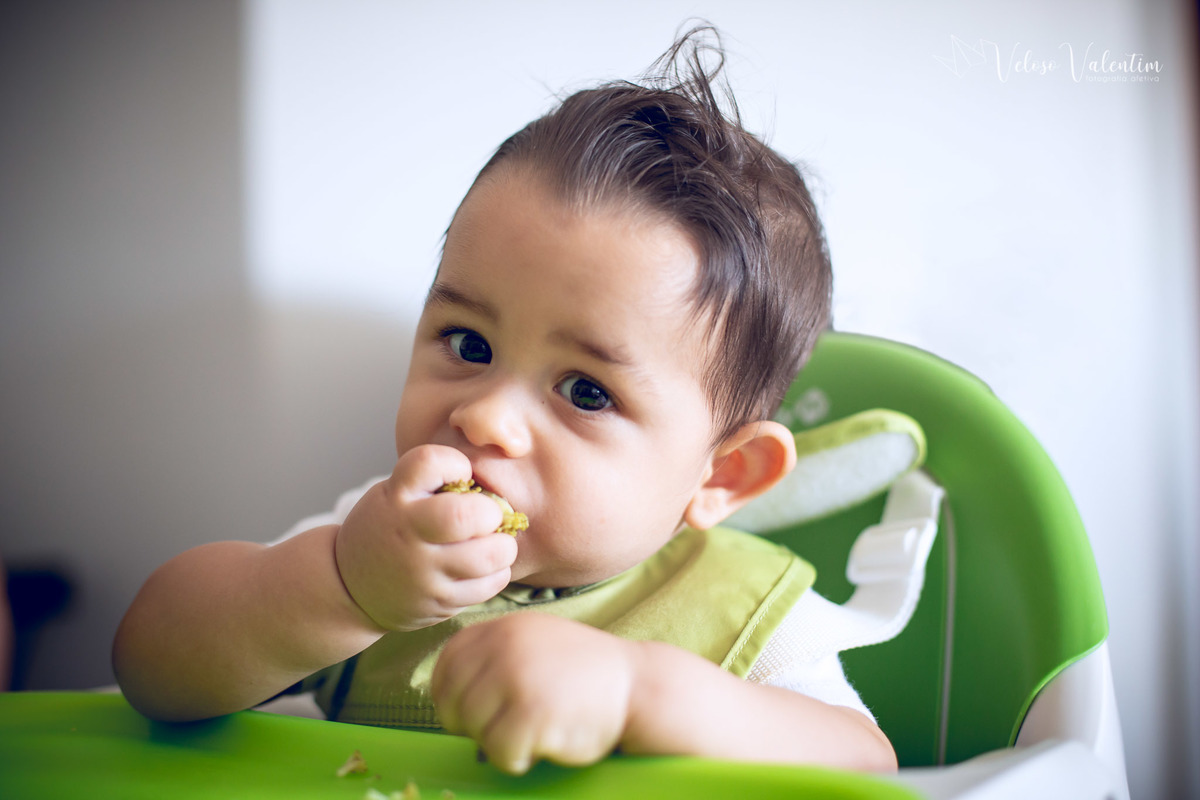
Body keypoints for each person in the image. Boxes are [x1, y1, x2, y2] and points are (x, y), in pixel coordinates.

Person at [112, 26, 896, 775]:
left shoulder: (745, 612)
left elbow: (867, 763)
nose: (483, 416)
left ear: (721, 476)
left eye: (587, 392)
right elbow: (150, 667)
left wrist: (639, 693)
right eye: (470, 345)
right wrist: (341, 586)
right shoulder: (375, 542)